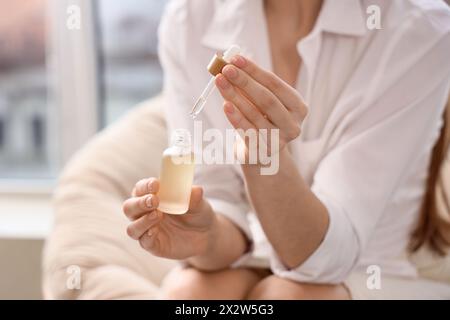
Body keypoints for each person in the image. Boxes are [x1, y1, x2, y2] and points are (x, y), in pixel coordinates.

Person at [122, 0, 450, 299]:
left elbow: (324, 258)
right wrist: (205, 235)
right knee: (191, 293)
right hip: (257, 253)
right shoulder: (190, 16)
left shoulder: (418, 30)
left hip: (368, 268)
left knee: (286, 297)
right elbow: (222, 202)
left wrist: (265, 157)